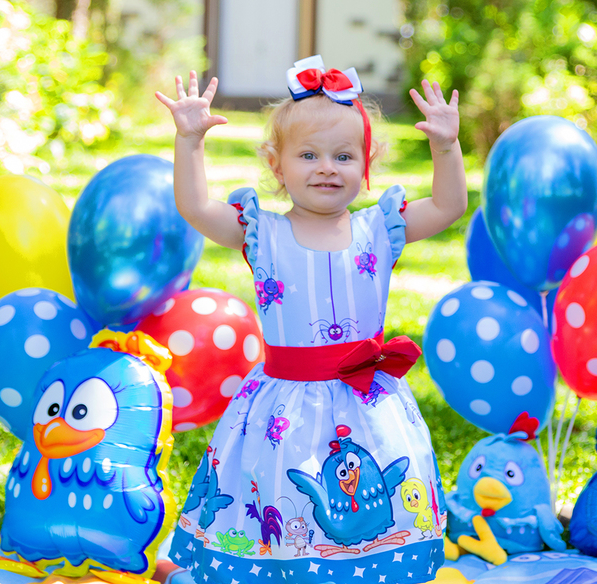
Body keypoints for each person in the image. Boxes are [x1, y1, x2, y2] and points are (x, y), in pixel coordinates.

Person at [155, 55, 468, 584]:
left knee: (370, 499)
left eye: (344, 155)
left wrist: (446, 145)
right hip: (283, 404)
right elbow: (194, 206)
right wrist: (190, 140)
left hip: (365, 402)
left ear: (366, 164)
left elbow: (449, 205)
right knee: (285, 494)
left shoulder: (379, 228)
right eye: (308, 155)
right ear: (277, 167)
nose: (327, 166)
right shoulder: (261, 232)